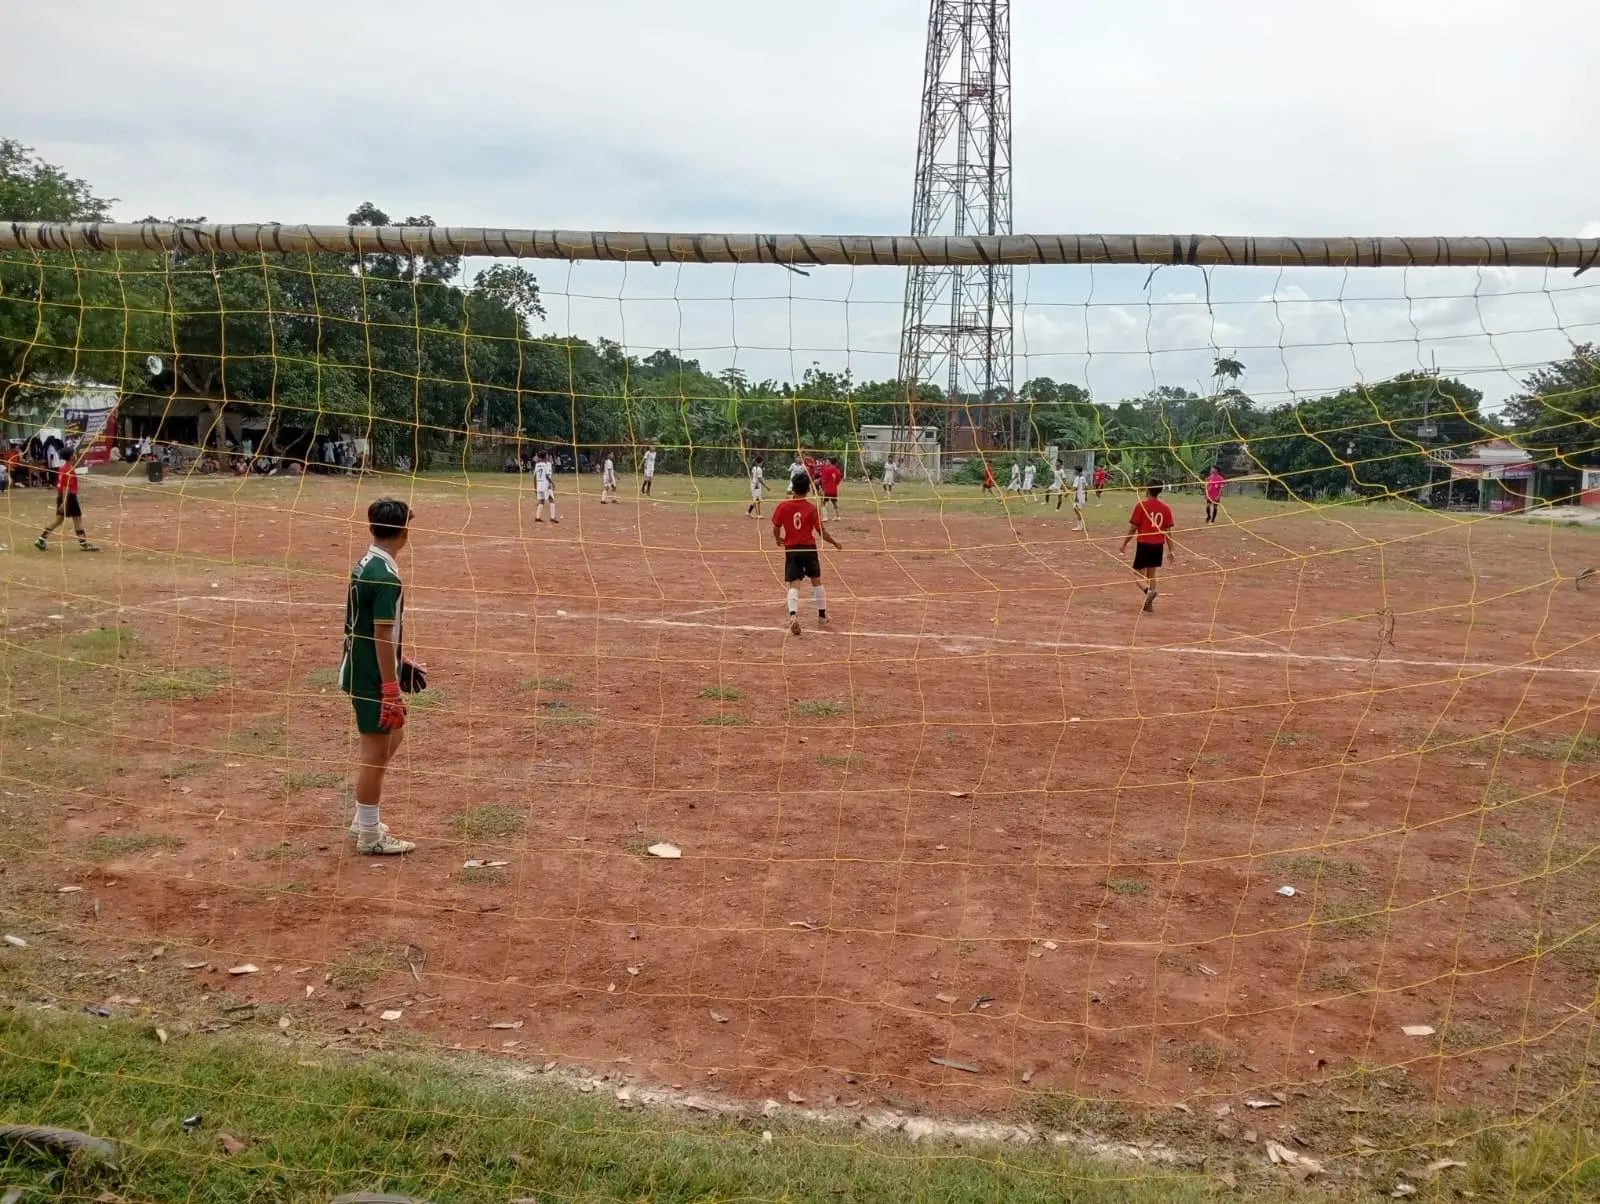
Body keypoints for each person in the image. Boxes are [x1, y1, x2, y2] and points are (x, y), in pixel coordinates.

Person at [340, 498, 419, 855]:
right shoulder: (385, 577)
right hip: (371, 675)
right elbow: (381, 634)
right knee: (374, 755)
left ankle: (364, 819)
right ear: (404, 532)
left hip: (363, 665)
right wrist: (390, 687)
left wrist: (400, 664)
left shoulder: (366, 563)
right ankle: (369, 832)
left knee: (393, 735)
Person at [771, 473, 841, 636]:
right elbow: (821, 532)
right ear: (809, 490)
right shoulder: (811, 509)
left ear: (792, 488)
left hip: (792, 549)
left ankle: (793, 616)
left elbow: (776, 526)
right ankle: (822, 616)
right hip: (809, 549)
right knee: (816, 582)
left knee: (794, 584)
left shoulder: (783, 506)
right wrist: (835, 543)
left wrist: (777, 539)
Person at [1120, 479, 1177, 613]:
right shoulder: (1166, 508)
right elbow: (1168, 532)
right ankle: (1149, 604)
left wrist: (1124, 543)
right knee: (1151, 574)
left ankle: (1148, 592)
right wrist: (1171, 550)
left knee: (1137, 574)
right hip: (1158, 546)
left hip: (1144, 545)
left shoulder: (1141, 506)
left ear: (1148, 489)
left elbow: (1133, 527)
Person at [34, 448, 99, 552]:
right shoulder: (68, 470)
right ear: (71, 457)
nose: (75, 455)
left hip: (62, 496)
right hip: (69, 497)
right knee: (77, 519)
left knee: (58, 520)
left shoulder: (63, 468)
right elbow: (66, 487)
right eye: (74, 453)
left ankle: (41, 539)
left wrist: (62, 501)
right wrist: (64, 503)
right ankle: (84, 544)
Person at [533, 452, 559, 523]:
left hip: (539, 485)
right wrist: (552, 483)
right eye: (547, 455)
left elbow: (534, 477)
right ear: (545, 456)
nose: (548, 456)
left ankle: (537, 517)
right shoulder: (545, 464)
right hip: (545, 484)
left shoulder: (537, 464)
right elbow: (547, 475)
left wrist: (535, 487)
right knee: (551, 499)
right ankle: (552, 517)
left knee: (541, 500)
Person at [1071, 464, 1088, 532]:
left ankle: (1079, 526)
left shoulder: (1077, 478)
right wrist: (1086, 496)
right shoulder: (1083, 478)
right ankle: (1081, 525)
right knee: (1077, 510)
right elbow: (1086, 487)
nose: (1074, 471)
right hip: (1082, 495)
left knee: (1077, 510)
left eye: (1074, 470)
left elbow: (1075, 488)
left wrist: (1068, 492)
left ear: (1077, 471)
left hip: (1078, 496)